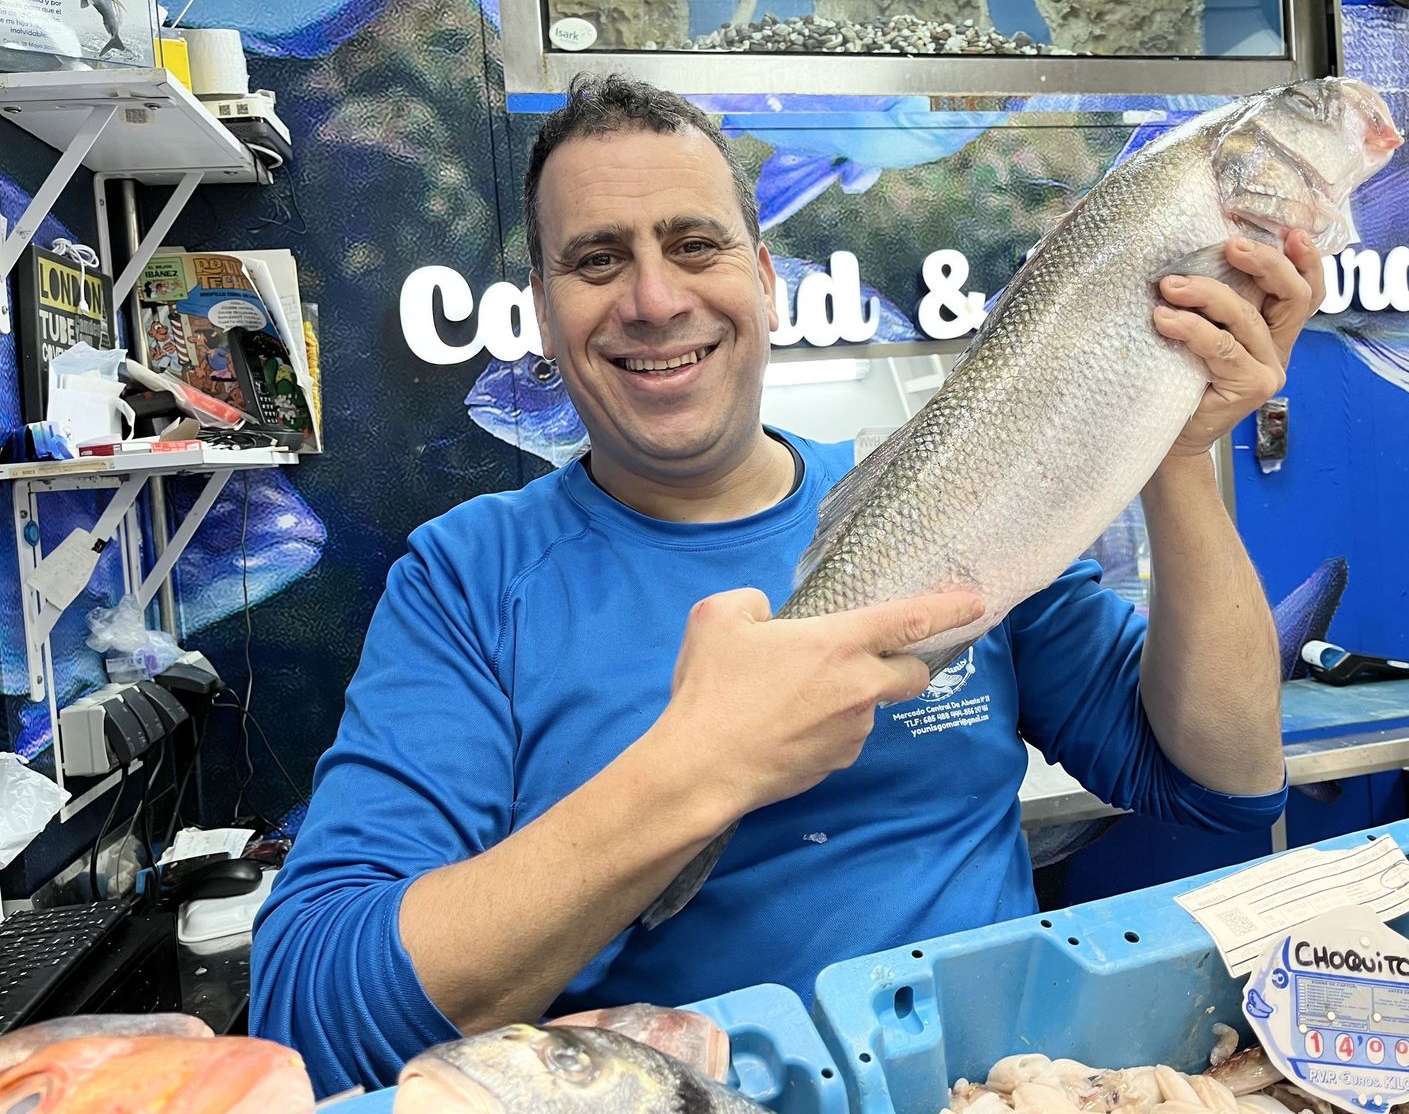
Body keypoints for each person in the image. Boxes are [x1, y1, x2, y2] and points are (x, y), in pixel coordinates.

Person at [251, 72, 1326, 1096]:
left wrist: (1177, 453)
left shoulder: (946, 491)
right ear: (541, 311)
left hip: (994, 1092)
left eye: (696, 245)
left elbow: (1219, 784)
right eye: (595, 260)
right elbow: (319, 1015)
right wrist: (696, 770)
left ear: (764, 281)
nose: (655, 298)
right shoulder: (470, 577)